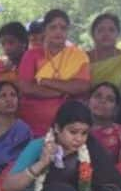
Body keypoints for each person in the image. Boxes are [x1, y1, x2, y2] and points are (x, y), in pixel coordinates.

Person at [17, 9, 91, 137]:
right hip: (32, 125)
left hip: (69, 127)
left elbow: (82, 86)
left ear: (67, 31)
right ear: (45, 30)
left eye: (63, 28)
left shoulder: (77, 56)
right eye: (53, 27)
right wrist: (64, 90)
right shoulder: (32, 55)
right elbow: (26, 87)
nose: (58, 31)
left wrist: (45, 81)